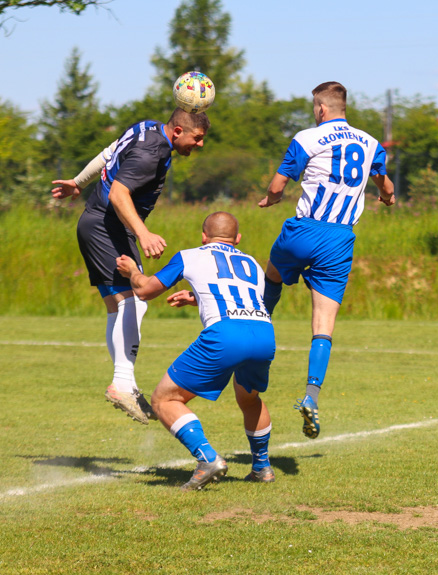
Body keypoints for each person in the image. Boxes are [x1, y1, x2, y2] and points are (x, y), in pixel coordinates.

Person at [51, 108, 210, 424]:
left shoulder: (147, 127)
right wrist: (143, 233)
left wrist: (77, 182)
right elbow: (121, 193)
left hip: (97, 221)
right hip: (109, 225)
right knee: (136, 301)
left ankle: (126, 382)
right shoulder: (152, 152)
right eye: (198, 138)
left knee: (119, 306)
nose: (200, 145)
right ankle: (122, 383)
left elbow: (108, 152)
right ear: (178, 131)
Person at [258, 81, 395, 439]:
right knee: (324, 323)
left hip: (305, 230)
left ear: (321, 109)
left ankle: (255, 337)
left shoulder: (307, 138)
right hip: (340, 239)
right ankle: (311, 396)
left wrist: (271, 199)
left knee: (271, 278)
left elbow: (277, 186)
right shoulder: (371, 144)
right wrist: (387, 198)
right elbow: (386, 185)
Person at [116, 212, 277, 490]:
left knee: (164, 400)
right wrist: (197, 298)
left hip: (226, 335)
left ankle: (207, 459)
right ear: (237, 239)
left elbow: (145, 291)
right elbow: (243, 296)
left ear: (204, 236)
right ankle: (262, 468)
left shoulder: (190, 255)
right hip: (264, 334)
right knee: (250, 399)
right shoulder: (251, 262)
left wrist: (132, 271)